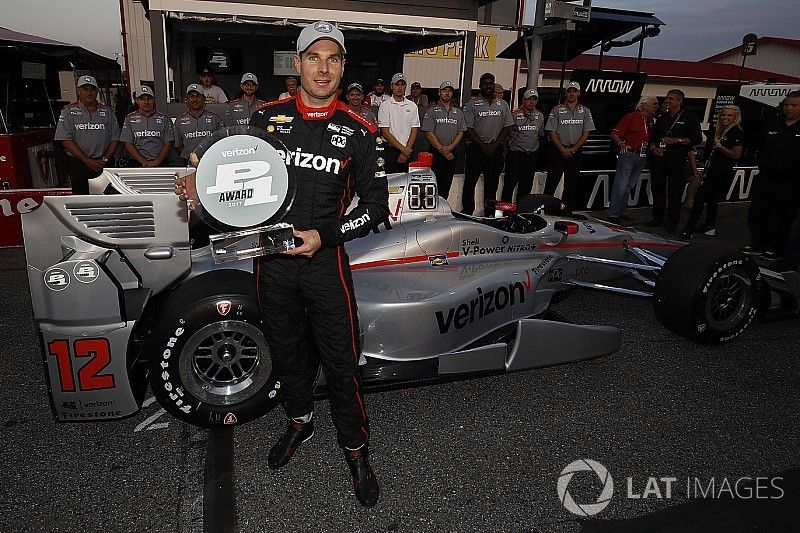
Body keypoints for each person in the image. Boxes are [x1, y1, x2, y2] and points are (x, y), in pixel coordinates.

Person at [177, 20, 387, 508]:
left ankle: (356, 451)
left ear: (343, 67)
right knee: (288, 354)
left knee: (340, 363)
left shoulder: (361, 131)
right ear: (297, 65)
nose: (323, 68)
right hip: (271, 263)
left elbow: (376, 210)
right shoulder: (266, 119)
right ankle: (300, 422)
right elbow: (235, 193)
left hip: (325, 265)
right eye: (314, 57)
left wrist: (325, 236)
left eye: (333, 58)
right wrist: (200, 192)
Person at [745, 91, 800, 260]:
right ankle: (757, 244)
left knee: (781, 215)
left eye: (794, 105)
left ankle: (775, 248)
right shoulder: (773, 124)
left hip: (790, 181)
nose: (789, 108)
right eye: (786, 105)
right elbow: (759, 146)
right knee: (758, 212)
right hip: (766, 177)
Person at [680, 105, 744, 239]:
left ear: (735, 118)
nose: (725, 117)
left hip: (722, 172)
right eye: (724, 115)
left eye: (729, 115)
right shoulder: (719, 131)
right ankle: (709, 226)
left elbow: (736, 154)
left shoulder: (736, 132)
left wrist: (719, 146)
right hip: (712, 169)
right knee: (712, 200)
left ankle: (688, 230)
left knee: (699, 199)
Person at [646, 88, 702, 233]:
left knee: (674, 191)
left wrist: (676, 140)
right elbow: (653, 138)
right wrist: (653, 147)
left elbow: (696, 139)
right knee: (657, 188)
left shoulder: (689, 117)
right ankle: (657, 217)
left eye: (671, 99)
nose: (667, 101)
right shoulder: (662, 117)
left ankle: (672, 221)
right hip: (659, 158)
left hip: (677, 158)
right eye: (667, 98)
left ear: (679, 101)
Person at [54, 74, 119, 194]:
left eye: (92, 89)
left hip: (103, 164)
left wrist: (104, 159)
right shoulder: (68, 111)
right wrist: (86, 160)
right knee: (81, 199)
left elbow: (115, 138)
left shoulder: (107, 111)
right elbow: (65, 140)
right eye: (85, 89)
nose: (89, 93)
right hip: (79, 164)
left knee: (107, 200)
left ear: (97, 91)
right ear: (79, 91)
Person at [462, 72, 514, 215]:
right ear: (480, 85)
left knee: (492, 184)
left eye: (490, 83)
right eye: (485, 83)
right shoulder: (471, 104)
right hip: (476, 148)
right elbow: (468, 129)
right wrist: (484, 146)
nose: (488, 86)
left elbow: (507, 126)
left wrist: (495, 144)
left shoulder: (502, 104)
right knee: (470, 182)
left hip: (495, 148)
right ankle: (467, 211)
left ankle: (490, 213)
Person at [606, 96, 659, 223]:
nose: (656, 106)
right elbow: (614, 133)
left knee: (629, 186)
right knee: (621, 185)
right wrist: (622, 144)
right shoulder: (631, 117)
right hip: (629, 154)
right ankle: (613, 213)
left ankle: (621, 211)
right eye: (654, 104)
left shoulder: (650, 120)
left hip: (642, 156)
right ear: (644, 105)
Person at [544, 81, 595, 209]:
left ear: (579, 93)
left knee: (571, 184)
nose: (572, 93)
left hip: (575, 152)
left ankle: (565, 211)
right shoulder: (556, 110)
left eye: (574, 91)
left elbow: (586, 132)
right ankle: (546, 209)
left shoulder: (585, 111)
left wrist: (574, 149)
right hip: (557, 151)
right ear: (566, 93)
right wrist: (562, 148)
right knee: (551, 183)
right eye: (569, 91)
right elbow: (551, 131)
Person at [421, 80, 466, 202]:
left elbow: (461, 133)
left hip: (452, 154)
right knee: (433, 185)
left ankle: (443, 211)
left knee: (446, 185)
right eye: (444, 90)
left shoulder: (458, 112)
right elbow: (429, 133)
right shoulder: (432, 111)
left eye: (450, 91)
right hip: (436, 153)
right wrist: (443, 149)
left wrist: (450, 148)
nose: (447, 93)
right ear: (439, 92)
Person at [501, 88, 545, 203]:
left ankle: (521, 212)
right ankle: (504, 213)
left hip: (531, 156)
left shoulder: (540, 116)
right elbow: (506, 134)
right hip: (516, 155)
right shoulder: (515, 115)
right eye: (529, 99)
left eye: (534, 99)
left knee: (526, 186)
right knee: (509, 185)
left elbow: (540, 134)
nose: (531, 102)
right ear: (524, 100)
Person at [119, 86, 174, 167]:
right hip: (137, 163)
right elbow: (128, 143)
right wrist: (143, 161)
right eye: (142, 99)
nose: (146, 102)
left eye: (149, 98)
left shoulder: (164, 119)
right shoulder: (129, 119)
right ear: (137, 101)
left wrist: (157, 162)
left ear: (154, 100)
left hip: (160, 163)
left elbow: (168, 143)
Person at [378, 73, 420, 173]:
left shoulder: (412, 106)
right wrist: (403, 150)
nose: (400, 87)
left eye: (402, 84)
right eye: (397, 84)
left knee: (407, 183)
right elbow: (385, 132)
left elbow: (414, 130)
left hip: (408, 150)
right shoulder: (385, 105)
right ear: (391, 86)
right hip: (390, 151)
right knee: (390, 182)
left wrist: (406, 151)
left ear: (406, 86)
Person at [173, 83, 225, 165]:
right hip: (187, 162)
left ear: (204, 99)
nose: (195, 99)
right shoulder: (179, 121)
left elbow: (221, 143)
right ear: (186, 99)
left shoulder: (215, 119)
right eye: (191, 96)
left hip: (211, 161)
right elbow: (178, 146)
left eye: (198, 96)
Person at [408, 81, 430, 152]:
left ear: (420, 90)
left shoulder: (424, 97)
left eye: (417, 89)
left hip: (421, 126)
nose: (415, 91)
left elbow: (423, 108)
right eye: (413, 89)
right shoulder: (407, 98)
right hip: (409, 126)